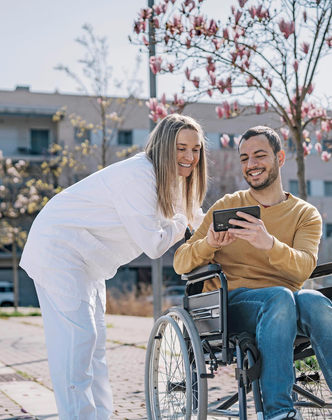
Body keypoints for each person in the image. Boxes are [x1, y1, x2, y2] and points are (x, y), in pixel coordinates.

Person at [173, 126, 332, 420]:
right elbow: (181, 262)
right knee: (279, 298)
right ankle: (278, 412)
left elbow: (305, 266)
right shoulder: (228, 205)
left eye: (259, 155)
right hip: (234, 306)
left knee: (315, 301)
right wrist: (207, 245)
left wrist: (268, 243)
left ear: (279, 158)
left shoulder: (305, 214)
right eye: (244, 158)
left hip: (288, 304)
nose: (251, 164)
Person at [20, 114, 208, 420]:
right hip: (58, 248)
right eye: (181, 148)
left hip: (88, 261)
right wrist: (183, 222)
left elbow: (199, 220)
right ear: (162, 147)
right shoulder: (140, 176)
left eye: (196, 149)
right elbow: (155, 244)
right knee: (77, 341)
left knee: (95, 346)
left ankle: (100, 416)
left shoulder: (172, 183)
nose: (189, 157)